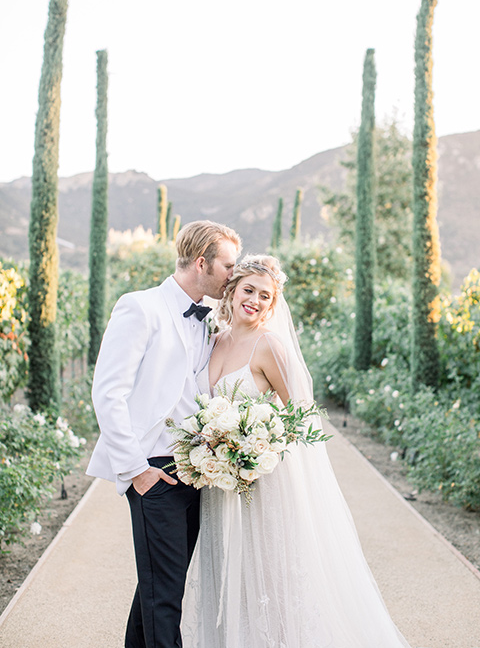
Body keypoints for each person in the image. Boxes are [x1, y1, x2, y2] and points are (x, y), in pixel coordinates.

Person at [181, 254, 413, 648]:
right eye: (248, 290)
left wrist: (254, 443)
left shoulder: (270, 346)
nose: (254, 300)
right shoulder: (212, 340)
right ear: (232, 291)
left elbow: (301, 419)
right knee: (230, 574)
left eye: (265, 296)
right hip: (220, 484)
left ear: (273, 305)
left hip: (266, 482)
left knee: (270, 574)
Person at [86, 220, 242, 648]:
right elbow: (108, 392)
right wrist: (137, 470)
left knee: (159, 587)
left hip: (194, 469)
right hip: (153, 471)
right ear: (201, 263)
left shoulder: (208, 320)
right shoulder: (141, 307)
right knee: (165, 596)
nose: (234, 274)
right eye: (228, 266)